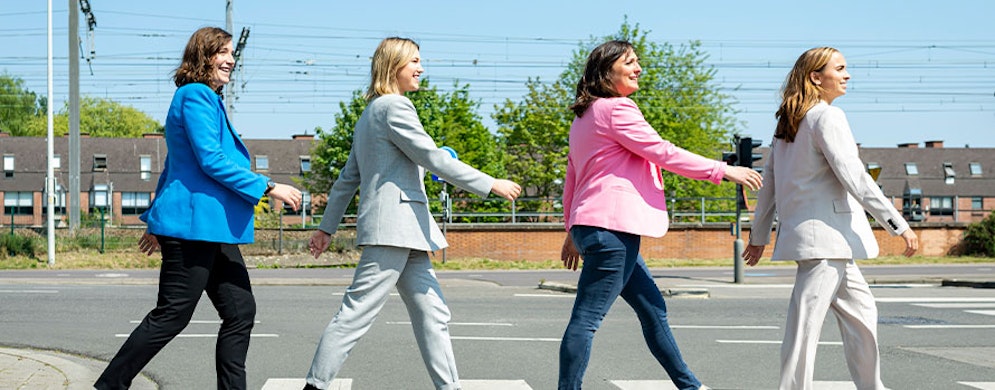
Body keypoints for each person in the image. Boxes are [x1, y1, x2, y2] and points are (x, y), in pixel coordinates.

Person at [302, 37, 522, 390]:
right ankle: (314, 386)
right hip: (393, 228)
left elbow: (347, 179)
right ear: (393, 67)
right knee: (356, 314)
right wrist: (489, 183)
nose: (421, 68)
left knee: (433, 314)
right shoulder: (395, 107)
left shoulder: (369, 114)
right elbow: (433, 158)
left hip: (407, 231)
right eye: (414, 62)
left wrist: (326, 227)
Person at [94, 27, 303, 390]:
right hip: (193, 228)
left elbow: (177, 166)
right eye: (222, 52)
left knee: (240, 311)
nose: (231, 59)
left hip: (212, 226)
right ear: (204, 57)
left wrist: (154, 218)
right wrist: (268, 186)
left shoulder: (207, 99)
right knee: (172, 315)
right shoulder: (194, 96)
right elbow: (211, 160)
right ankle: (109, 385)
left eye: (231, 53)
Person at [558, 40, 763, 390]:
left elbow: (573, 179)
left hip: (595, 226)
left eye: (638, 62)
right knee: (587, 319)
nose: (638, 68)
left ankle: (689, 385)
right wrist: (722, 170)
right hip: (612, 229)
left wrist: (572, 230)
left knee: (653, 308)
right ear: (607, 72)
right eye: (630, 63)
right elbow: (662, 152)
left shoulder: (584, 117)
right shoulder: (618, 109)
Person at [743, 47, 919, 390]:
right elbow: (855, 176)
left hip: (829, 243)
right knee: (804, 329)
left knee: (863, 319)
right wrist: (898, 224)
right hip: (825, 243)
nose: (847, 75)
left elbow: (769, 188)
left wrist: (759, 235)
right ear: (815, 77)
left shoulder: (787, 125)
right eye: (839, 68)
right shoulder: (826, 117)